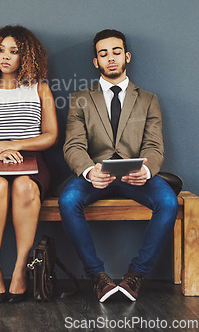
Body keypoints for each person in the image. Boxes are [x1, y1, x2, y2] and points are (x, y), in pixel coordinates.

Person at [59, 29, 178, 302]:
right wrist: (89, 171)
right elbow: (73, 145)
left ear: (127, 57)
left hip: (136, 177)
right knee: (68, 199)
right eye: (103, 54)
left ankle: (136, 275)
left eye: (115, 52)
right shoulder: (80, 98)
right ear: (96, 62)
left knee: (169, 202)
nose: (110, 58)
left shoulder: (148, 99)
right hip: (95, 175)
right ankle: (97, 277)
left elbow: (154, 146)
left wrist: (145, 171)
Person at [0, 25, 58, 303]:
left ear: (26, 56)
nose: (5, 56)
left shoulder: (39, 88)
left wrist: (15, 145)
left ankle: (19, 270)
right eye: (0, 50)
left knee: (25, 189)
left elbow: (51, 135)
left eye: (14, 51)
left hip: (31, 157)